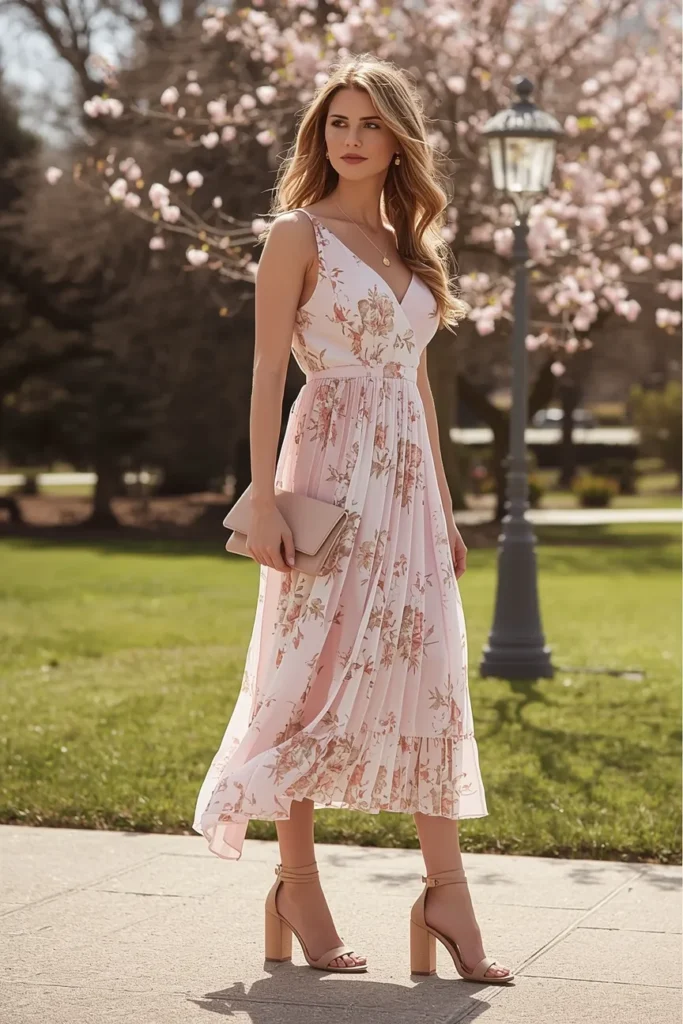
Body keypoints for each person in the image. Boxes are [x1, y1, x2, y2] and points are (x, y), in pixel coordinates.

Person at [193, 53, 513, 984]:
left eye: (370, 123)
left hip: (407, 488)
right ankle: (297, 885)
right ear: (319, 137)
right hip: (327, 465)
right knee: (306, 672)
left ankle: (445, 893)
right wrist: (261, 504)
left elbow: (415, 384)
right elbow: (264, 373)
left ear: (397, 137)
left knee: (426, 674)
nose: (352, 138)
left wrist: (446, 513)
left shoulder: (414, 248)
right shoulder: (297, 234)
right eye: (338, 122)